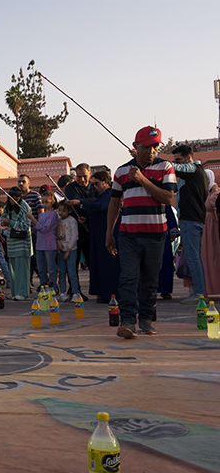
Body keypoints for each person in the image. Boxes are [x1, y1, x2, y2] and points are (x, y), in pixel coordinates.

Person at [106, 125, 177, 338]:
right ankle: (128, 321)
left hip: (156, 235)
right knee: (128, 277)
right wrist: (109, 233)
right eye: (146, 146)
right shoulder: (121, 172)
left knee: (149, 280)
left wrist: (142, 180)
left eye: (155, 147)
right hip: (128, 234)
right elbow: (113, 204)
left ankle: (145, 320)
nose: (151, 151)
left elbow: (168, 198)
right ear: (135, 146)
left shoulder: (165, 168)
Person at [171, 144, 209, 303]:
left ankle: (199, 293)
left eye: (179, 160)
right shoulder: (194, 173)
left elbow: (171, 167)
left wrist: (150, 158)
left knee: (193, 258)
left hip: (191, 219)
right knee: (192, 257)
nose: (177, 163)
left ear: (188, 158)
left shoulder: (193, 169)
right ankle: (195, 291)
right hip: (191, 220)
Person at [80, 170, 120, 303]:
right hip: (98, 235)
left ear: (106, 182)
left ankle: (111, 293)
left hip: (107, 234)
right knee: (100, 264)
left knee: (109, 265)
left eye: (97, 184)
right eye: (93, 185)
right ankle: (103, 292)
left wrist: (80, 203)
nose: (95, 187)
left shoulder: (110, 194)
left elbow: (101, 206)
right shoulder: (102, 194)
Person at [1, 187, 37, 300]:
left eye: (16, 199)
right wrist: (5, 221)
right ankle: (14, 292)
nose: (14, 201)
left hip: (23, 243)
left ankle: (23, 293)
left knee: (22, 270)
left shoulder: (25, 206)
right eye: (12, 199)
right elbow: (2, 219)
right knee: (13, 269)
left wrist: (10, 222)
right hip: (11, 242)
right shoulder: (6, 207)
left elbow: (26, 225)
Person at [34, 191, 60, 289]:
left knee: (51, 268)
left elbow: (45, 228)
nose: (44, 204)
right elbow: (37, 229)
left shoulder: (53, 214)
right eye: (43, 202)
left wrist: (34, 222)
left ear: (53, 201)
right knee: (41, 268)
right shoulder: (41, 215)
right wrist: (35, 225)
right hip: (39, 244)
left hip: (49, 244)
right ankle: (43, 285)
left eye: (47, 202)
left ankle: (54, 287)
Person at [55, 201, 80, 299]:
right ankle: (62, 292)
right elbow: (54, 233)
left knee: (71, 271)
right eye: (59, 210)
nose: (61, 213)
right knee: (61, 271)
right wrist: (57, 242)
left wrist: (69, 249)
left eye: (63, 211)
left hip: (71, 249)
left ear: (69, 211)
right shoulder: (58, 220)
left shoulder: (72, 221)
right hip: (61, 249)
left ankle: (75, 292)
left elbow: (75, 236)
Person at [202, 170, 220, 296]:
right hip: (203, 225)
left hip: (212, 225)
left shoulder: (215, 192)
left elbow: (212, 205)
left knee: (213, 254)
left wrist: (213, 193)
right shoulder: (201, 190)